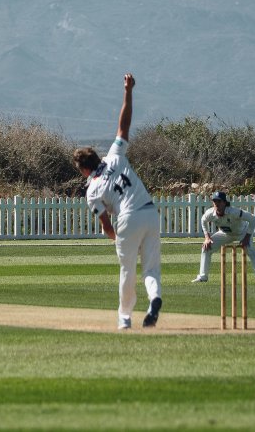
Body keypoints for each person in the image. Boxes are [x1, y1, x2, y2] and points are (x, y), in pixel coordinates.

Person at [74, 73, 162, 330]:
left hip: (127, 218)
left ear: (84, 170)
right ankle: (154, 298)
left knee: (127, 271)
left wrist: (119, 239)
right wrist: (128, 91)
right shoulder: (114, 156)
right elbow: (124, 125)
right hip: (150, 212)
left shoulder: (92, 190)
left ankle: (125, 317)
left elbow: (107, 226)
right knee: (151, 269)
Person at [191, 191, 255, 283]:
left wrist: (247, 237)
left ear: (224, 202)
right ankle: (203, 277)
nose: (216, 204)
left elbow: (253, 219)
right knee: (206, 247)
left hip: (242, 233)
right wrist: (207, 237)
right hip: (225, 234)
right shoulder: (210, 213)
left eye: (219, 201)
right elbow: (203, 220)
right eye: (215, 201)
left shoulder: (234, 212)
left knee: (250, 250)